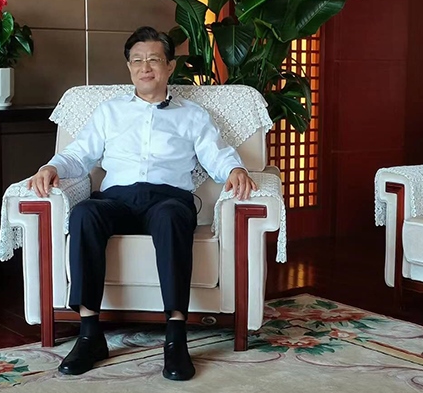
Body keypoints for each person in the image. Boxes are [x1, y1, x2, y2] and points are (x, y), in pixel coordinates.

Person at [28, 26, 257, 381]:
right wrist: (51, 167)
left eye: (153, 59)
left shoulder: (192, 115)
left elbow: (217, 155)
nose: (144, 67)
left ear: (169, 66)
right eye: (137, 60)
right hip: (117, 200)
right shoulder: (109, 112)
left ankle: (175, 339)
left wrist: (235, 170)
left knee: (171, 218)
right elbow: (79, 154)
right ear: (129, 67)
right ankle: (90, 335)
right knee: (85, 213)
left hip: (168, 200)